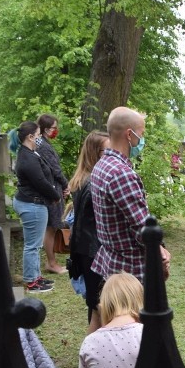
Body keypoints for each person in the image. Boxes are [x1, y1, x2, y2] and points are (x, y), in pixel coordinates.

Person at [90, 107, 170, 329]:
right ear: (129, 134)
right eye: (141, 134)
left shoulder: (101, 166)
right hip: (129, 269)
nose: (141, 139)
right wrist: (160, 252)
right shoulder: (121, 173)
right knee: (134, 328)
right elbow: (142, 229)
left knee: (104, 318)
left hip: (110, 260)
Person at [10, 121, 62, 292]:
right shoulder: (27, 158)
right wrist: (55, 196)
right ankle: (31, 282)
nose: (40, 138)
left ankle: (36, 276)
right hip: (32, 205)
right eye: (38, 135)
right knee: (33, 245)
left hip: (33, 203)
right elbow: (40, 181)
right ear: (30, 137)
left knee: (35, 244)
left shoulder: (29, 153)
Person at [67, 130, 109, 320]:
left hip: (86, 250)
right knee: (100, 304)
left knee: (95, 303)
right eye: (107, 151)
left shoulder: (83, 179)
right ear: (95, 153)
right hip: (95, 251)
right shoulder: (93, 183)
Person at [36, 114, 70, 274]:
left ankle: (52, 261)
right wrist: (66, 184)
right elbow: (55, 169)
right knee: (51, 228)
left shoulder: (41, 143)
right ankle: (51, 263)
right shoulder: (42, 145)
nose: (56, 131)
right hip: (52, 190)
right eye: (54, 128)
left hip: (52, 188)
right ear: (46, 129)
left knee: (52, 227)